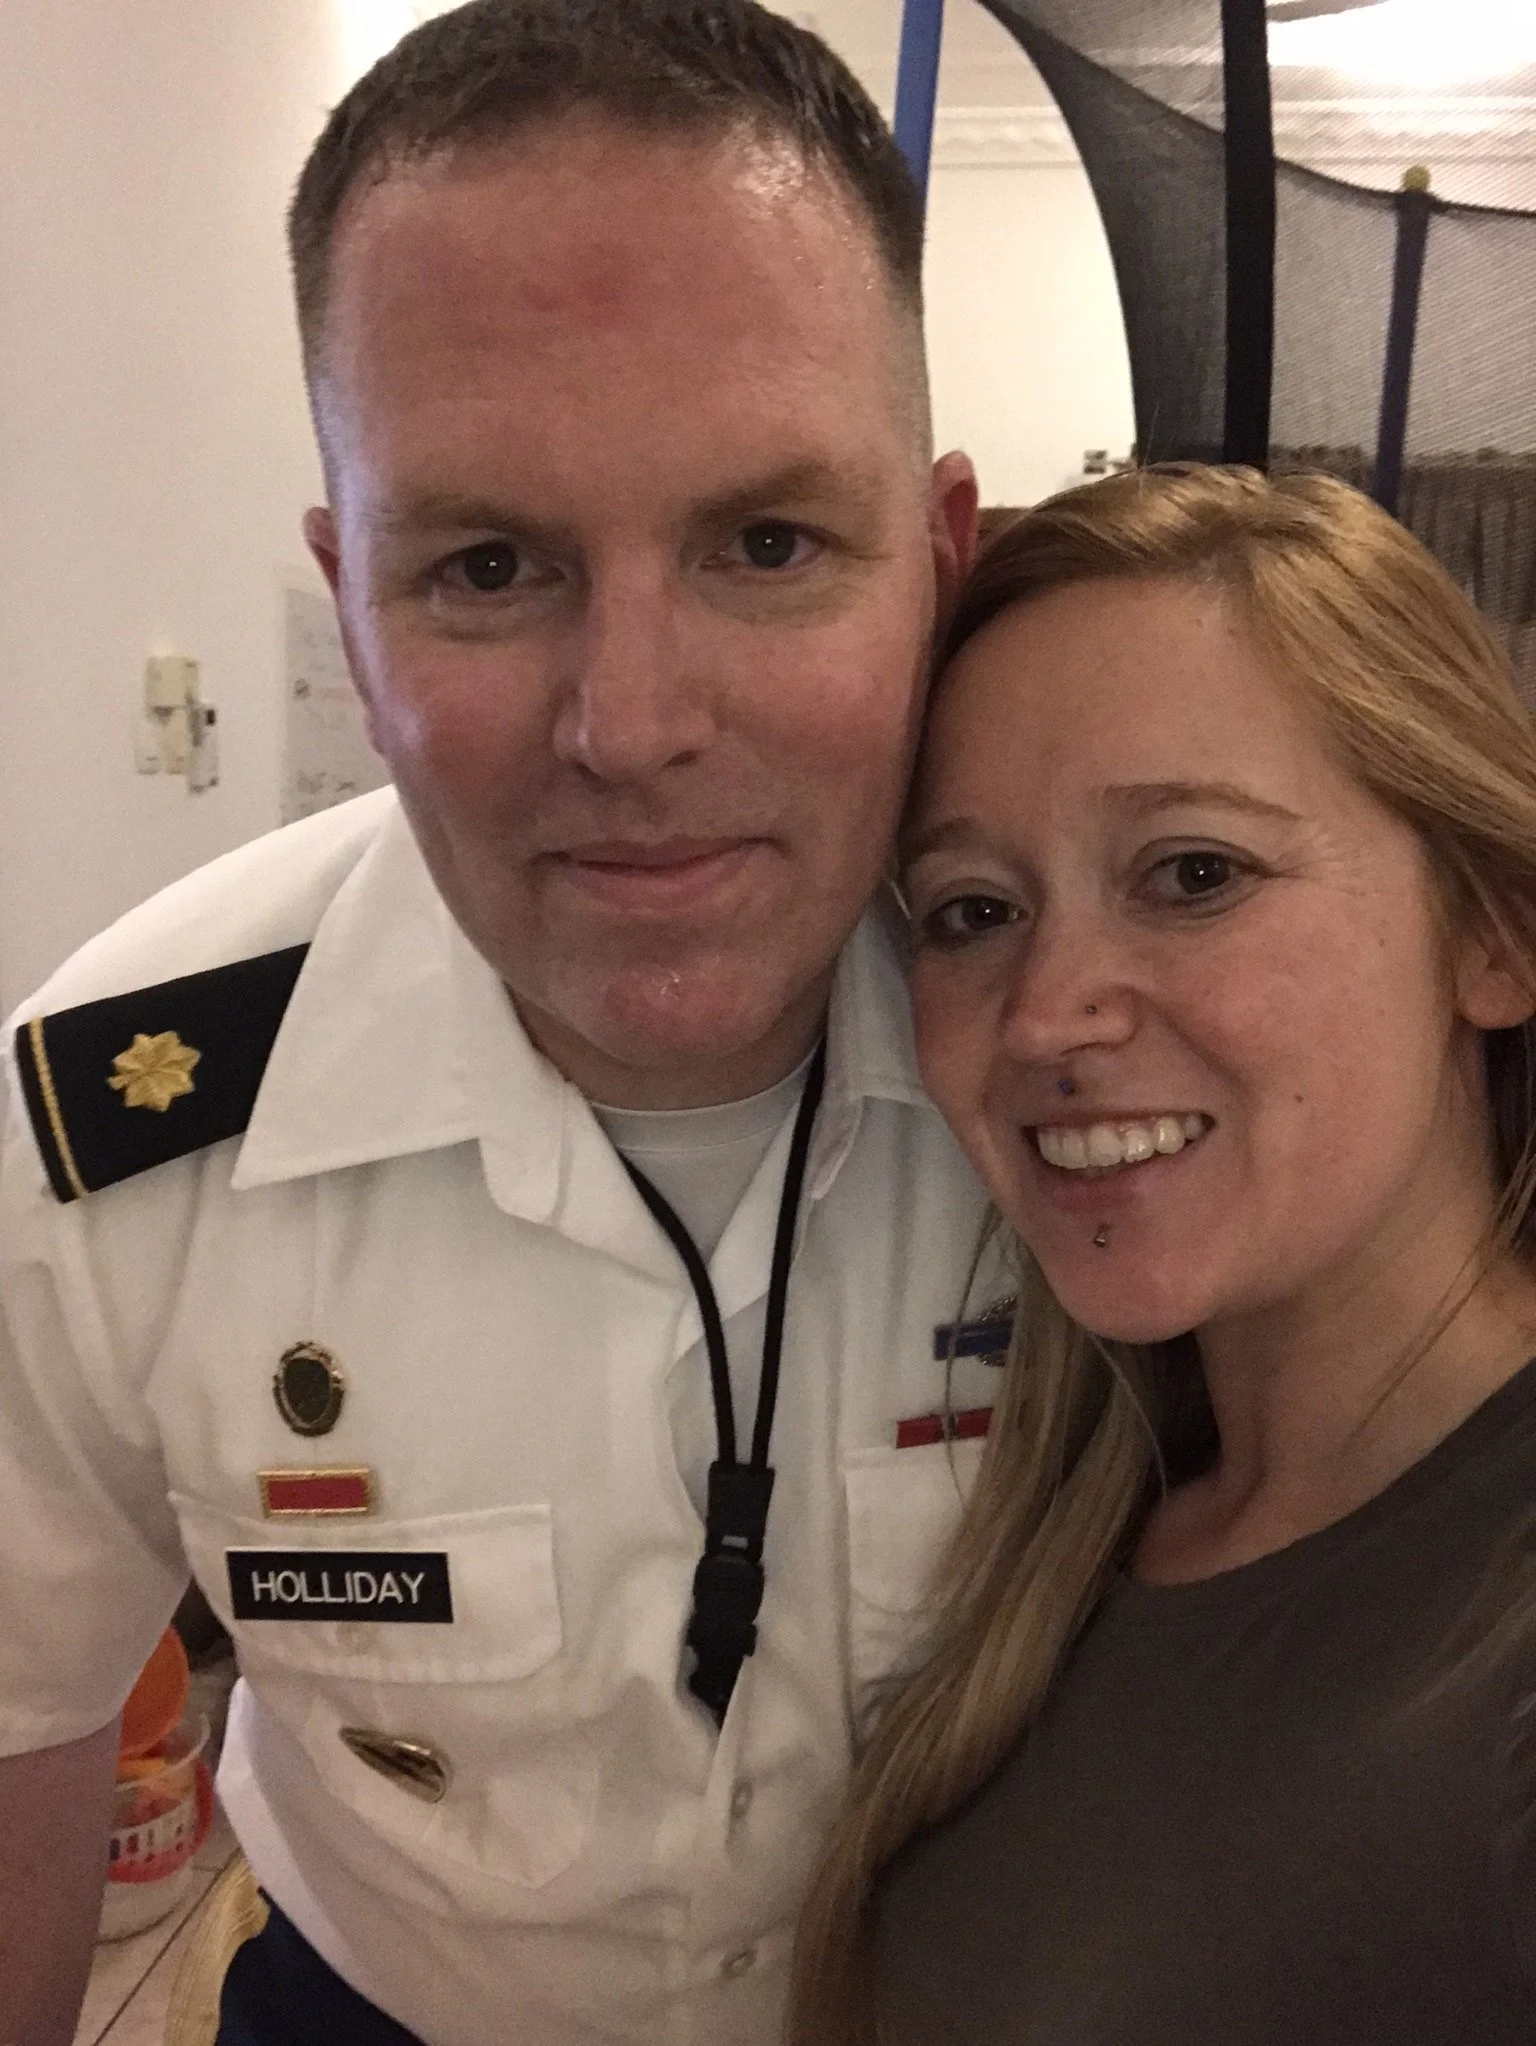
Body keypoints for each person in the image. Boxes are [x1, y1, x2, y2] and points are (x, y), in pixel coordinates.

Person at [0, 5, 995, 2042]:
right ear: (352, 613)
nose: (631, 724)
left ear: (941, 562)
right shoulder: (113, 1136)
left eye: (769, 544)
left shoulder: (1129, 1061)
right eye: (484, 566)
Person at [792, 463, 1536, 2044]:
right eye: (973, 909)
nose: (1048, 1014)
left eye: (1194, 874)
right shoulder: (1076, 1524)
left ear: (1493, 930)